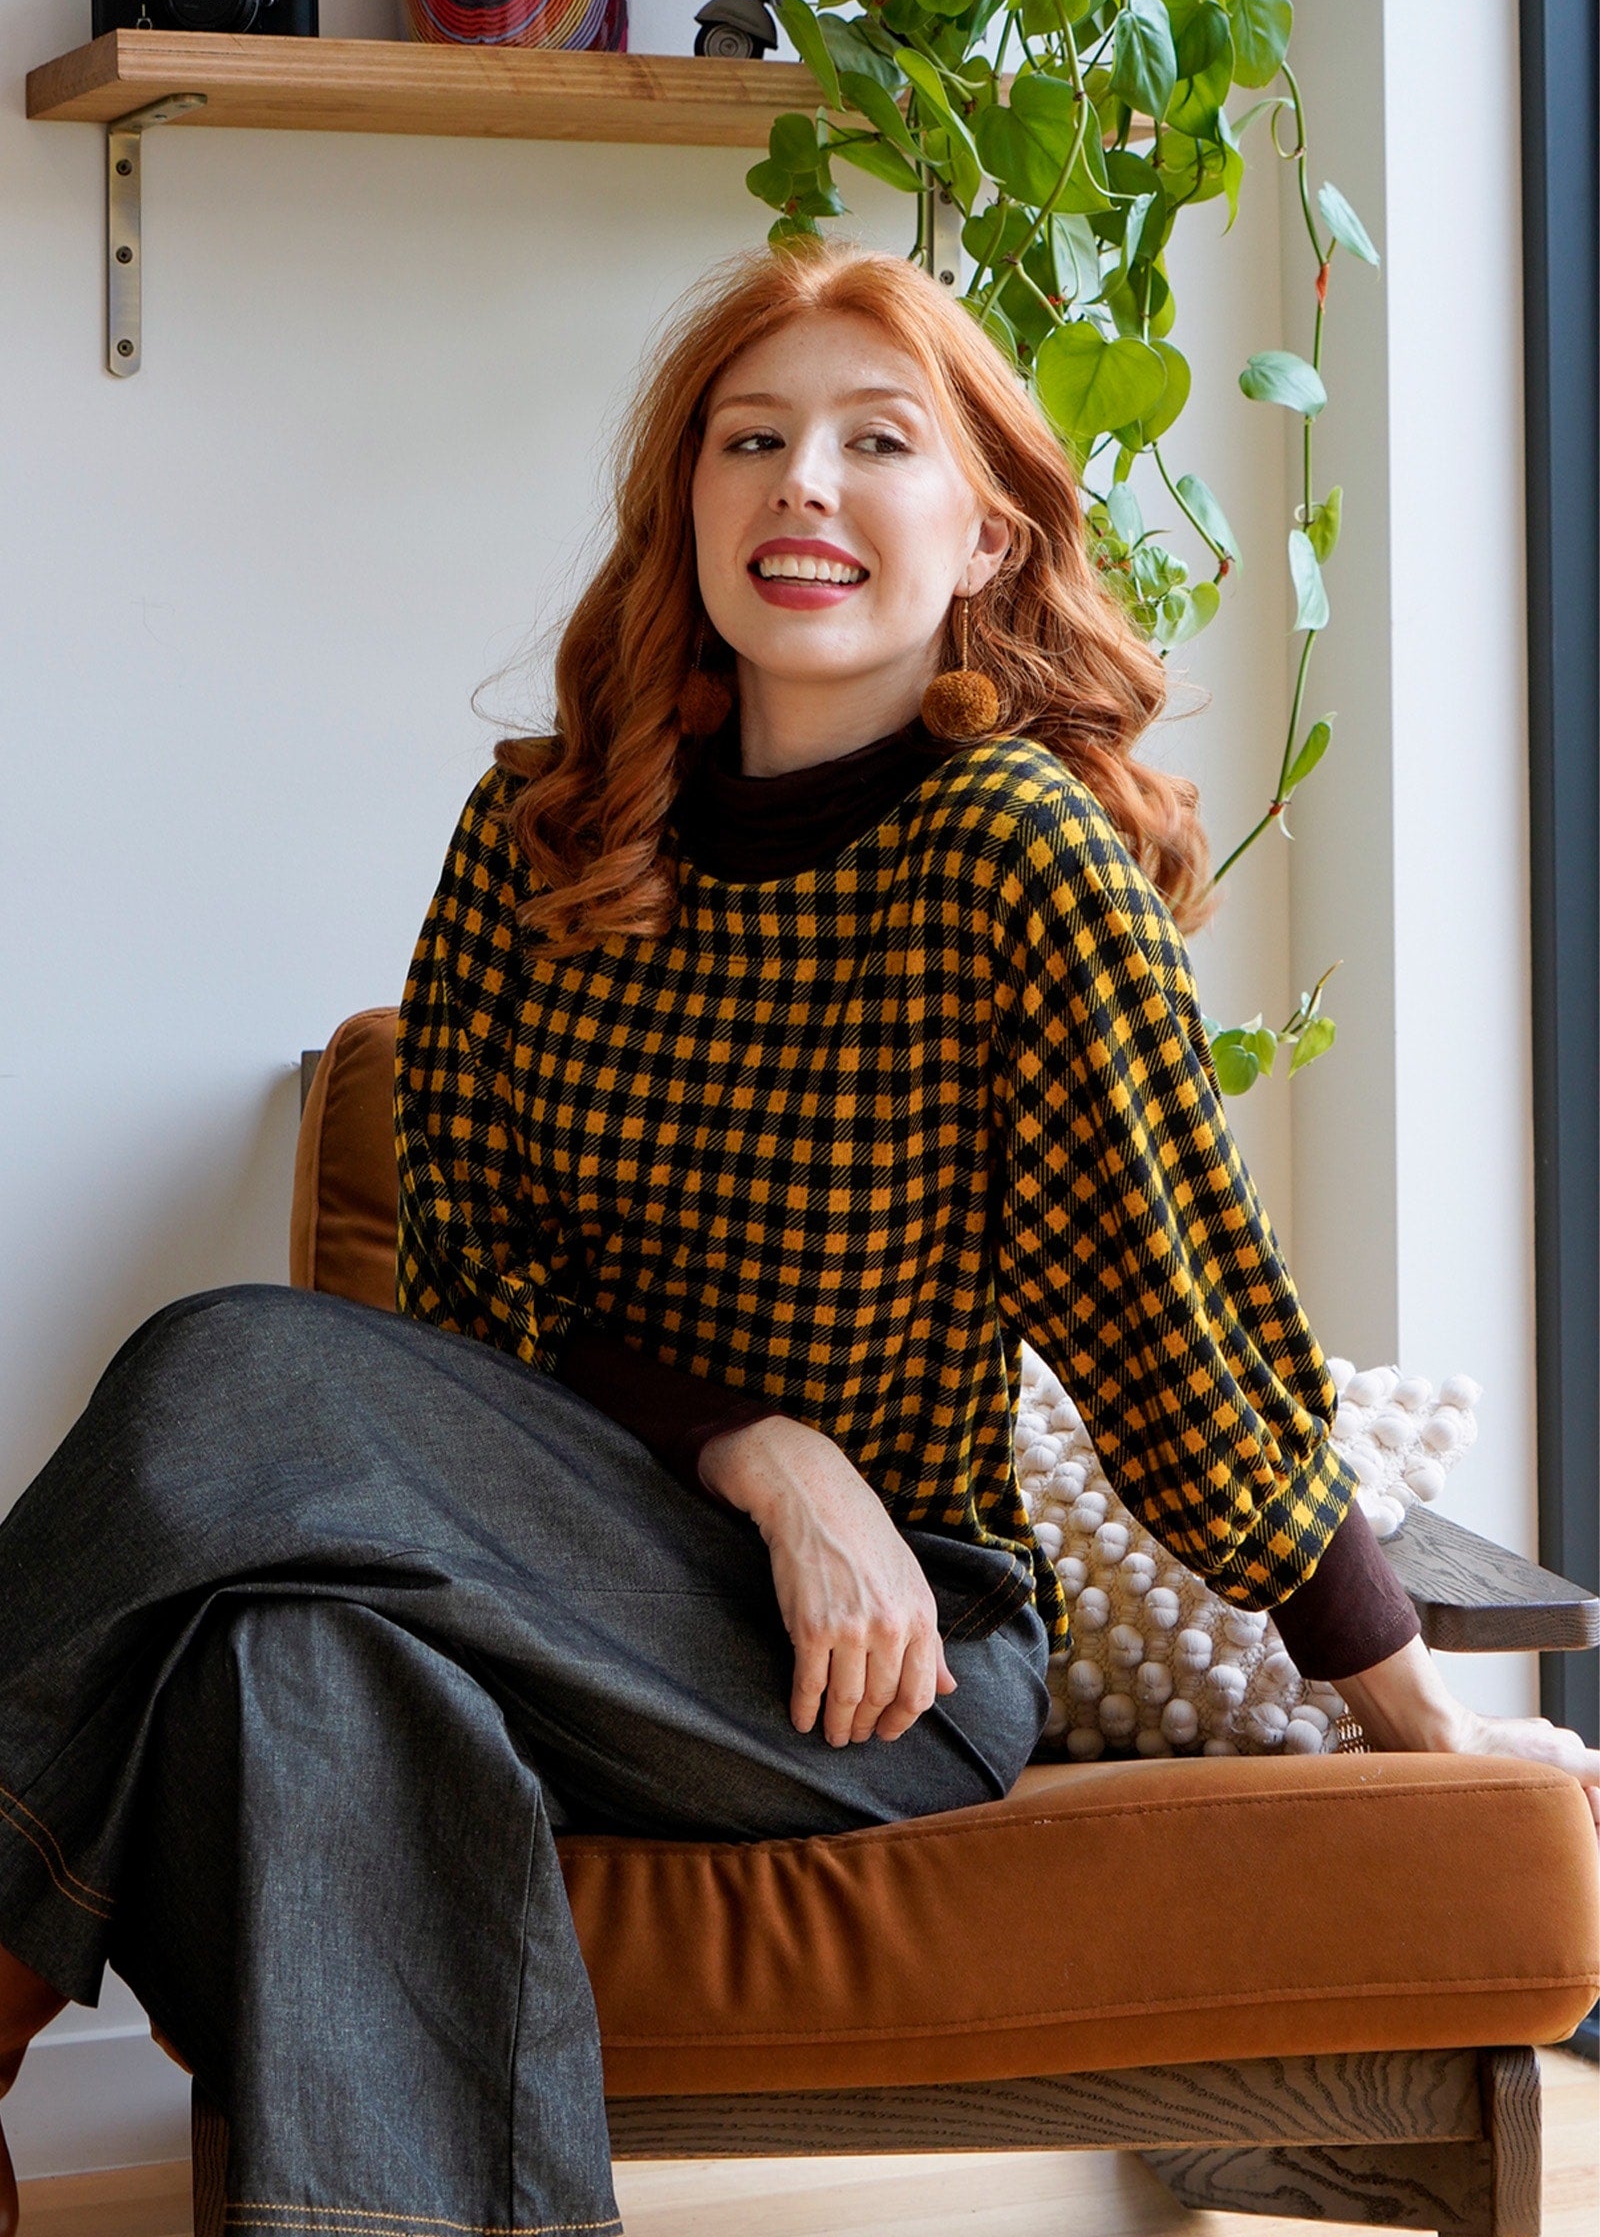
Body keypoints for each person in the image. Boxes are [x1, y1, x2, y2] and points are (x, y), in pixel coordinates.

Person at [1, 238, 1595, 2235]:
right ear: (687, 504)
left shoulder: (1016, 857)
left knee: (220, 1366)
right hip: (568, 1568)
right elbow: (477, 1315)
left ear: (986, 533)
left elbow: (1176, 1336)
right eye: (749, 440)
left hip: (885, 1658)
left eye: (876, 441)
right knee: (296, 1646)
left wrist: (1416, 1717)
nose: (803, 485)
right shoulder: (536, 842)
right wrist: (758, 1452)